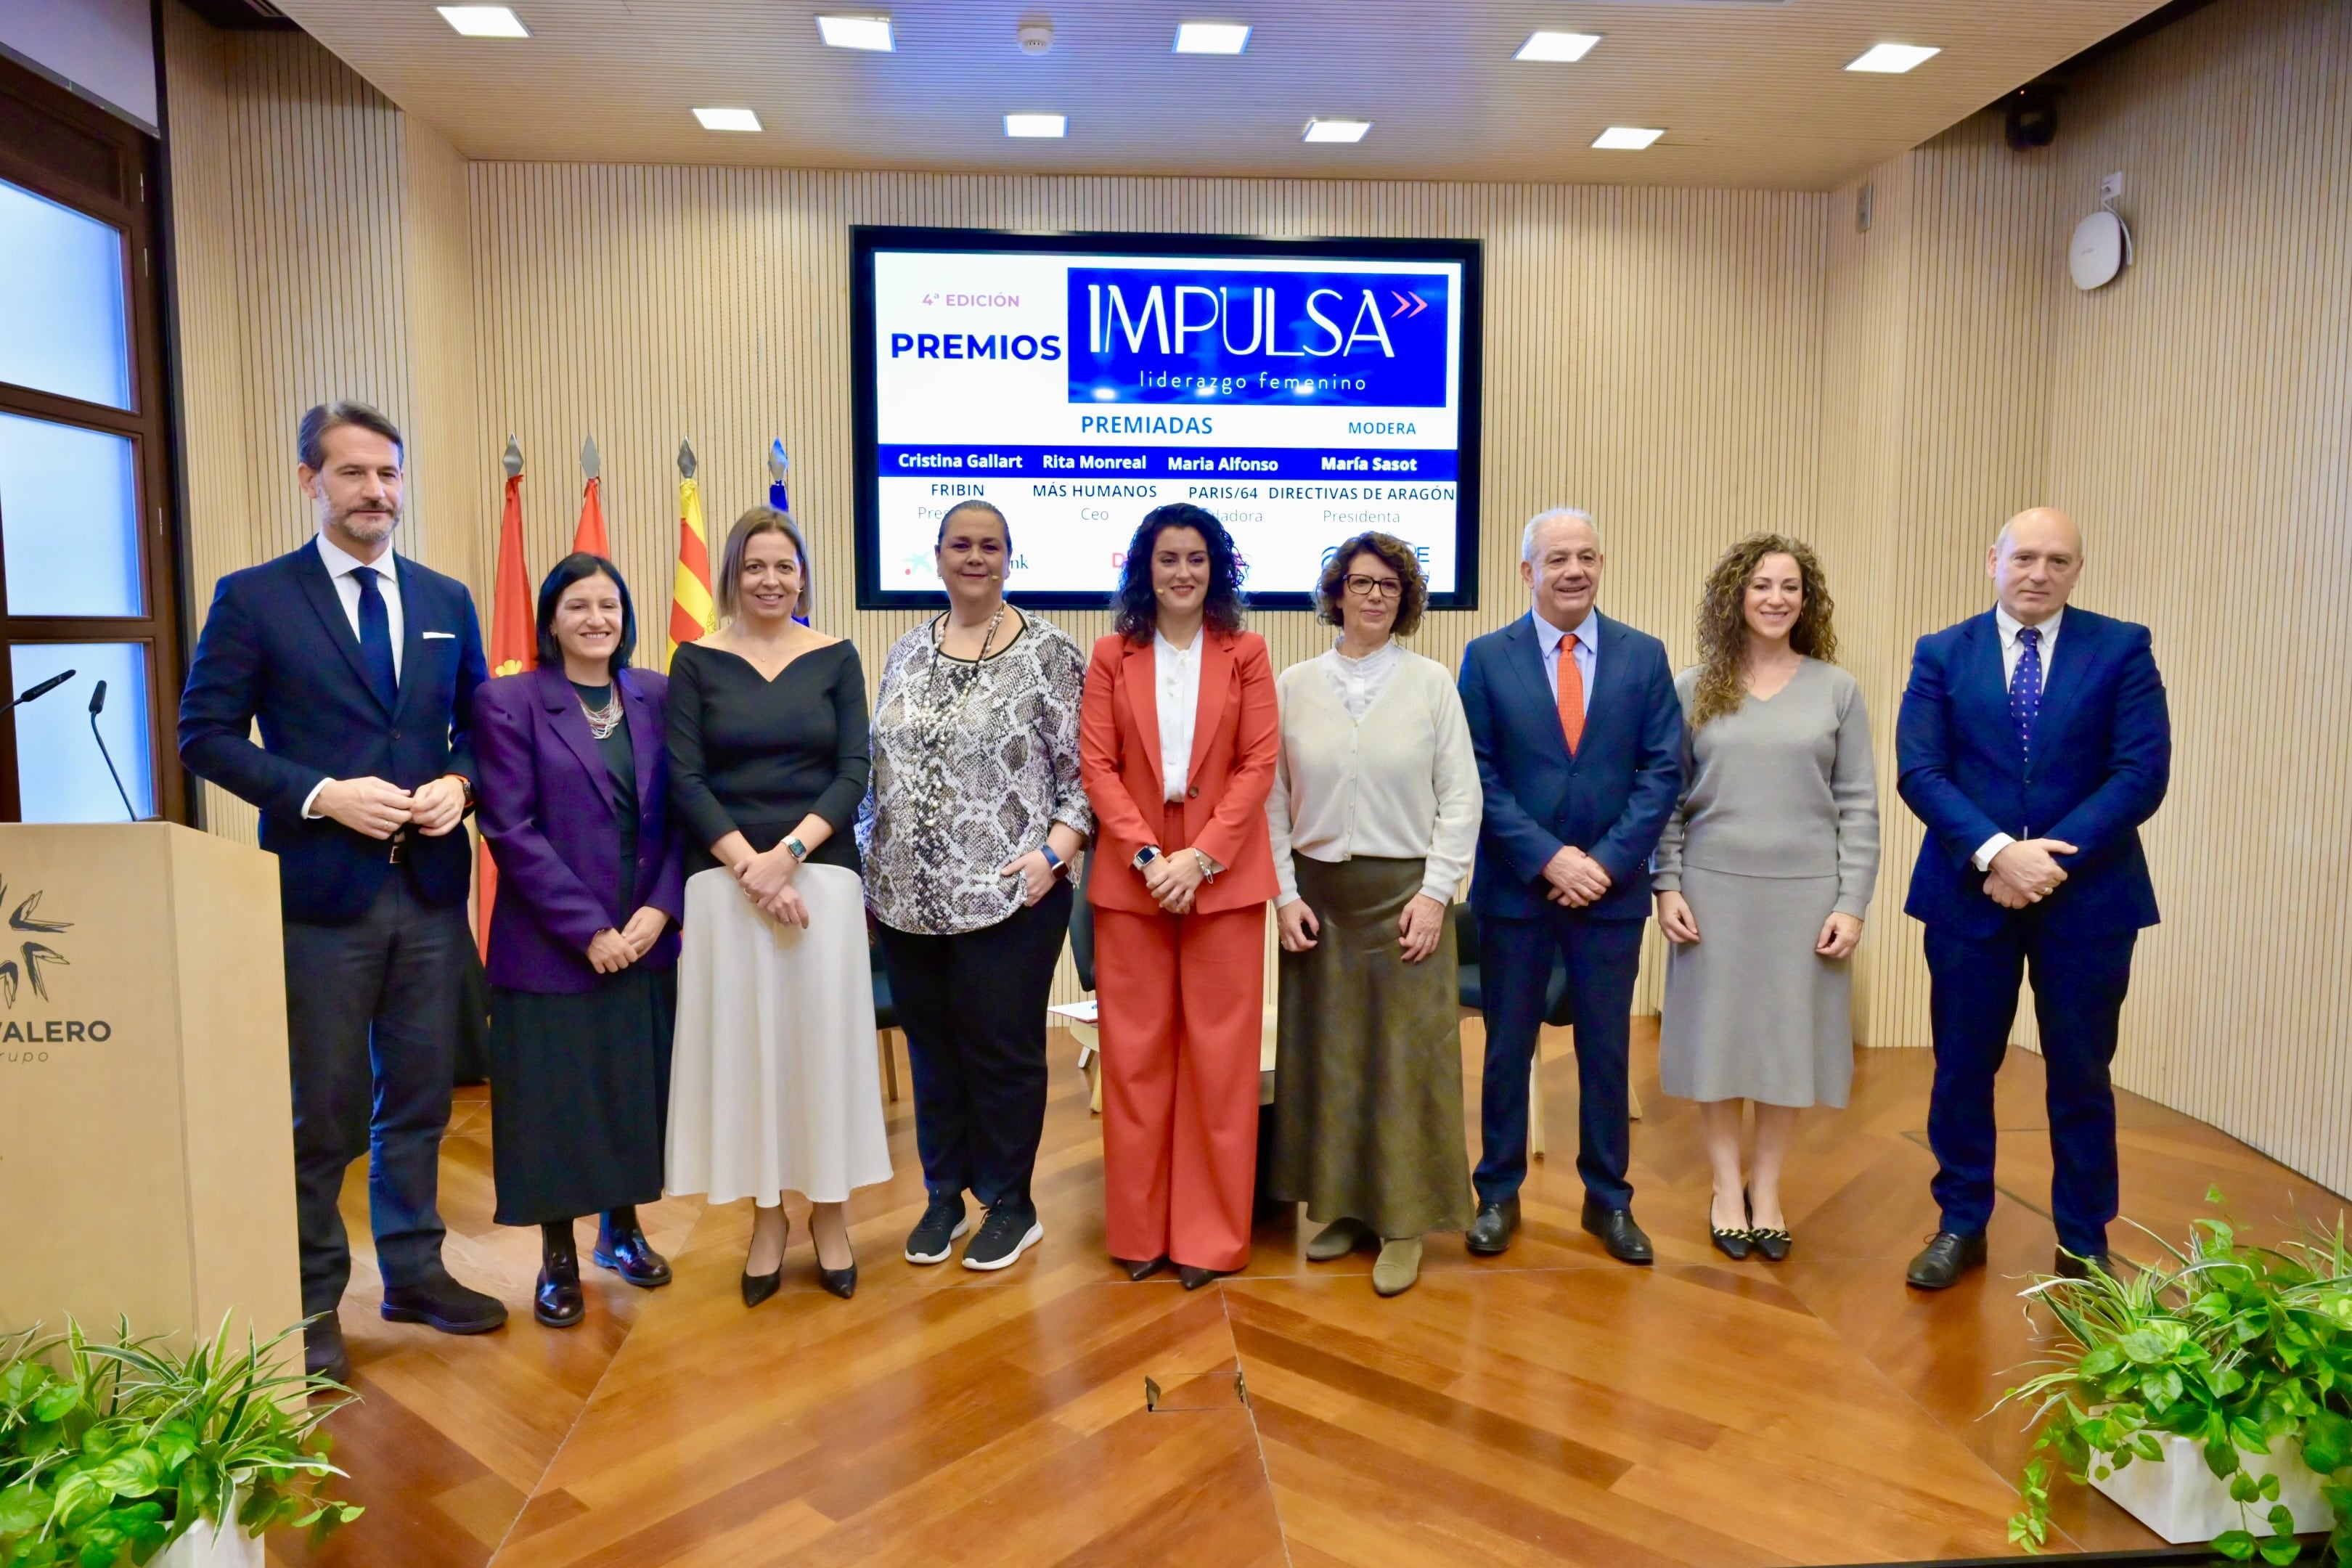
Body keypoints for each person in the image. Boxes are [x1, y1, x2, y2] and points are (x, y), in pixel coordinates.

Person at [179, 401, 503, 1383]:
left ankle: (413, 1272)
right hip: (322, 900)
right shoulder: (256, 598)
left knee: (418, 1100)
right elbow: (207, 735)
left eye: (390, 475)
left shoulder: (445, 598)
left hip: (433, 895)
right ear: (310, 480)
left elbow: (480, 728)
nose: (377, 492)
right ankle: (312, 1301)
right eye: (355, 474)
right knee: (318, 1111)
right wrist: (321, 793)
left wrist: (461, 785)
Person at [1897, 507, 2169, 1289]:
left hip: (2088, 901)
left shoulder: (2122, 648)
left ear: (2077, 570)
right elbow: (1921, 770)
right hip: (1967, 895)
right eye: (2025, 558)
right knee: (1961, 1068)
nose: (2039, 574)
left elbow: (2140, 773)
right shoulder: (1942, 653)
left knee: (2081, 1074)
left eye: (2057, 561)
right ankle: (1960, 1224)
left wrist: (2046, 863)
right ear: (1993, 560)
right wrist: (1996, 853)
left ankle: (2084, 1241)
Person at [859, 499, 1091, 1273]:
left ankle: (1010, 1203)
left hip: (1011, 897)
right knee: (934, 1051)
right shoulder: (907, 651)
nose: (975, 557)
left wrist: (1053, 857)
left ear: (1009, 559)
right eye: (960, 544)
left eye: (990, 546)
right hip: (905, 900)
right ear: (937, 556)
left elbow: (1085, 777)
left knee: (1002, 1052)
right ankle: (943, 1196)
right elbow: (875, 769)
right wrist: (865, 867)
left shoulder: (1050, 653)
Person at [664, 506, 889, 1304]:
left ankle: (830, 1213)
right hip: (725, 891)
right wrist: (747, 867)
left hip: (819, 879)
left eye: (784, 566)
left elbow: (853, 770)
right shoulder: (694, 661)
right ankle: (767, 1217)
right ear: (731, 574)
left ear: (803, 576)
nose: (769, 580)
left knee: (819, 1052)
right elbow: (684, 779)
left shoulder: (834, 656)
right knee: (750, 1057)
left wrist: (787, 857)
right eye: (754, 566)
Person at [1455, 507, 1683, 1265]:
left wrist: (1606, 864)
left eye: (1586, 556)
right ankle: (1497, 1194)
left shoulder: (1644, 657)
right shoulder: (1486, 659)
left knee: (1607, 1053)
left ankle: (1608, 1202)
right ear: (1528, 572)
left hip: (1610, 897)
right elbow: (1477, 776)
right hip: (1519, 894)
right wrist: (1551, 858)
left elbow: (1661, 773)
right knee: (1506, 1048)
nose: (1574, 570)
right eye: (1557, 559)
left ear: (1602, 562)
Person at [1265, 532, 1482, 1297]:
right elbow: (1272, 802)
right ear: (1337, 592)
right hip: (1318, 904)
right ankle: (1348, 1209)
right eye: (1361, 582)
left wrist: (1435, 895)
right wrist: (1284, 896)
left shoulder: (1431, 684)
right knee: (1334, 1062)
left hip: (1405, 900)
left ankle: (1404, 1223)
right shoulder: (1293, 684)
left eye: (1390, 585)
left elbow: (1462, 798)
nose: (1375, 596)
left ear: (1407, 598)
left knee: (1406, 1064)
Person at [1651, 534, 1878, 1263]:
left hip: (1807, 897)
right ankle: (1725, 1188)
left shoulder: (1836, 690)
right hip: (1712, 893)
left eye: (1790, 587)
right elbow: (1669, 802)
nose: (1776, 599)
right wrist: (1667, 884)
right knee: (1718, 1043)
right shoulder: (1693, 688)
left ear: (1806, 602)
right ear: (1735, 599)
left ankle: (1769, 1190)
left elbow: (1860, 807)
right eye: (1761, 586)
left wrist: (1852, 902)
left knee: (1787, 1047)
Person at [473, 554, 685, 1328]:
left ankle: (622, 1230)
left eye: (610, 605)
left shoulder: (657, 695)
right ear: (551, 619)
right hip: (550, 946)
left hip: (646, 938)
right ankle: (557, 1255)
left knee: (633, 1092)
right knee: (554, 1105)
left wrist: (661, 911)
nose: (597, 619)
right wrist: (587, 929)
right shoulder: (509, 701)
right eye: (578, 606)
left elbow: (684, 814)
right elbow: (510, 827)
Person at [1079, 502, 1278, 1290]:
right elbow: (1097, 766)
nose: (1183, 572)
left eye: (1197, 558)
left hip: (1222, 880)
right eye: (1168, 559)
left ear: (1217, 568)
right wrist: (1152, 856)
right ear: (1144, 569)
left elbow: (1257, 765)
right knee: (1134, 1060)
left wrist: (1199, 860)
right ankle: (1139, 1229)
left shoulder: (1248, 653)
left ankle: (1209, 1237)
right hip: (1135, 880)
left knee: (1221, 1064)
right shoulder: (1110, 654)